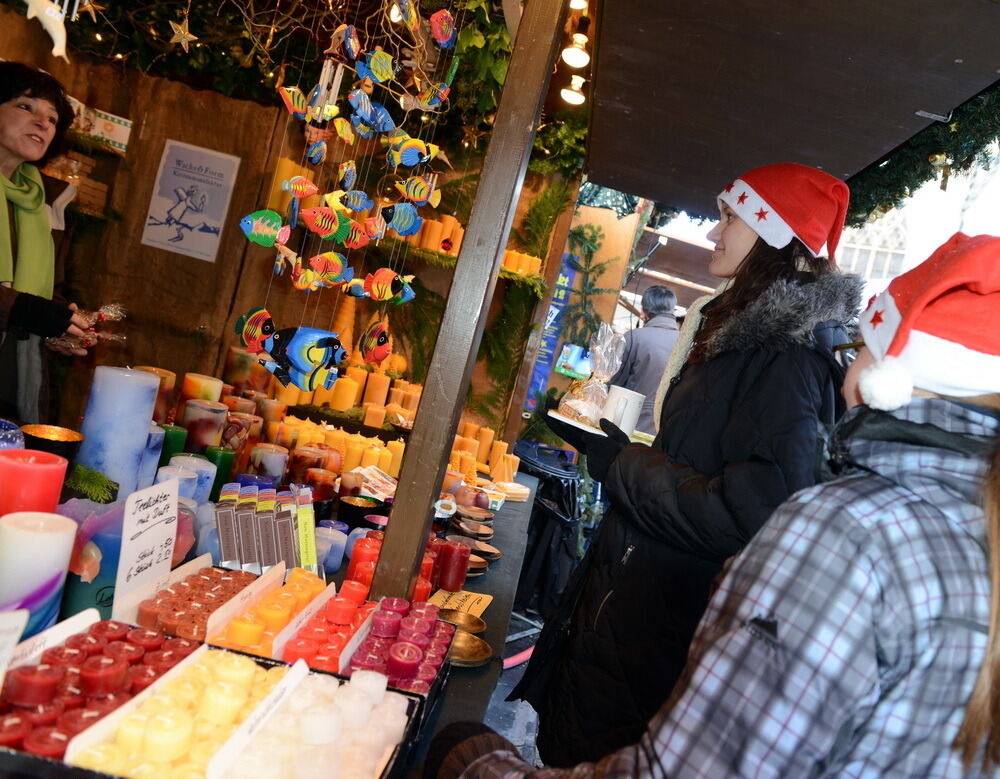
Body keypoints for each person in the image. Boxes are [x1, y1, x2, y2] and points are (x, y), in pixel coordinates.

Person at [427, 231, 1000, 778]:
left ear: (891, 376)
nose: (844, 367)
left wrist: (477, 764)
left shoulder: (850, 529)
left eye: (859, 348)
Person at [519, 163, 863, 765]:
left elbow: (753, 513)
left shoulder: (784, 360)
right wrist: (617, 449)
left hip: (662, 633)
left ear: (771, 232)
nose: (714, 232)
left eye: (729, 217)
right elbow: (700, 462)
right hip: (635, 613)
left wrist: (621, 465)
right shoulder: (737, 337)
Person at [0, 62, 91, 423]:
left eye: (52, 119)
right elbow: (24, 304)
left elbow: (44, 292)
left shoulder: (44, 202)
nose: (42, 123)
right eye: (26, 106)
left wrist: (63, 322)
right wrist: (26, 310)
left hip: (13, 382)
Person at [607, 285, 679, 436]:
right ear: (672, 311)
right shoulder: (688, 343)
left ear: (643, 312)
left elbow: (613, 381)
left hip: (628, 425)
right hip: (667, 432)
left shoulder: (634, 337)